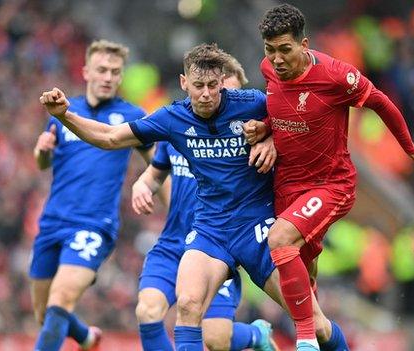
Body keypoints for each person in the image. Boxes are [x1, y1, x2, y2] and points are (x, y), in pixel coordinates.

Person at [39, 43, 347, 351]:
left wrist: (273, 139)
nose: (206, 94)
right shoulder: (173, 118)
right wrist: (65, 114)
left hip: (257, 229)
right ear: (185, 83)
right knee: (186, 306)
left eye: (213, 86)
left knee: (313, 324)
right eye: (198, 86)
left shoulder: (251, 103)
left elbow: (300, 119)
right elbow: (109, 137)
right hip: (211, 230)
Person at [242, 4, 414, 350]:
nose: (277, 59)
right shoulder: (268, 70)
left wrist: (412, 149)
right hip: (287, 186)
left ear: (304, 44)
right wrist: (265, 130)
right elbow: (282, 110)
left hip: (330, 185)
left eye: (285, 49)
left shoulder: (336, 76)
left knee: (280, 240)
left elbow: (382, 103)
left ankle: (305, 342)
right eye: (270, 50)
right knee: (305, 287)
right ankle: (327, 340)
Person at [132, 54, 278, 351]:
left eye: (229, 93)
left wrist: (270, 139)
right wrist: (141, 184)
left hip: (218, 246)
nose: (220, 100)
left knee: (215, 339)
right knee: (147, 311)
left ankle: (255, 336)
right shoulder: (179, 134)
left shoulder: (247, 145)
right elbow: (155, 173)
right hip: (175, 243)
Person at [30, 39, 154, 351]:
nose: (108, 77)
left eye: (115, 71)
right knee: (43, 314)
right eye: (101, 70)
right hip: (52, 222)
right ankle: (86, 337)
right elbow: (43, 163)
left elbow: (159, 162)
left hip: (94, 225)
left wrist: (151, 184)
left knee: (60, 301)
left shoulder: (132, 115)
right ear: (86, 72)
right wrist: (41, 152)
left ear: (121, 77)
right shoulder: (63, 111)